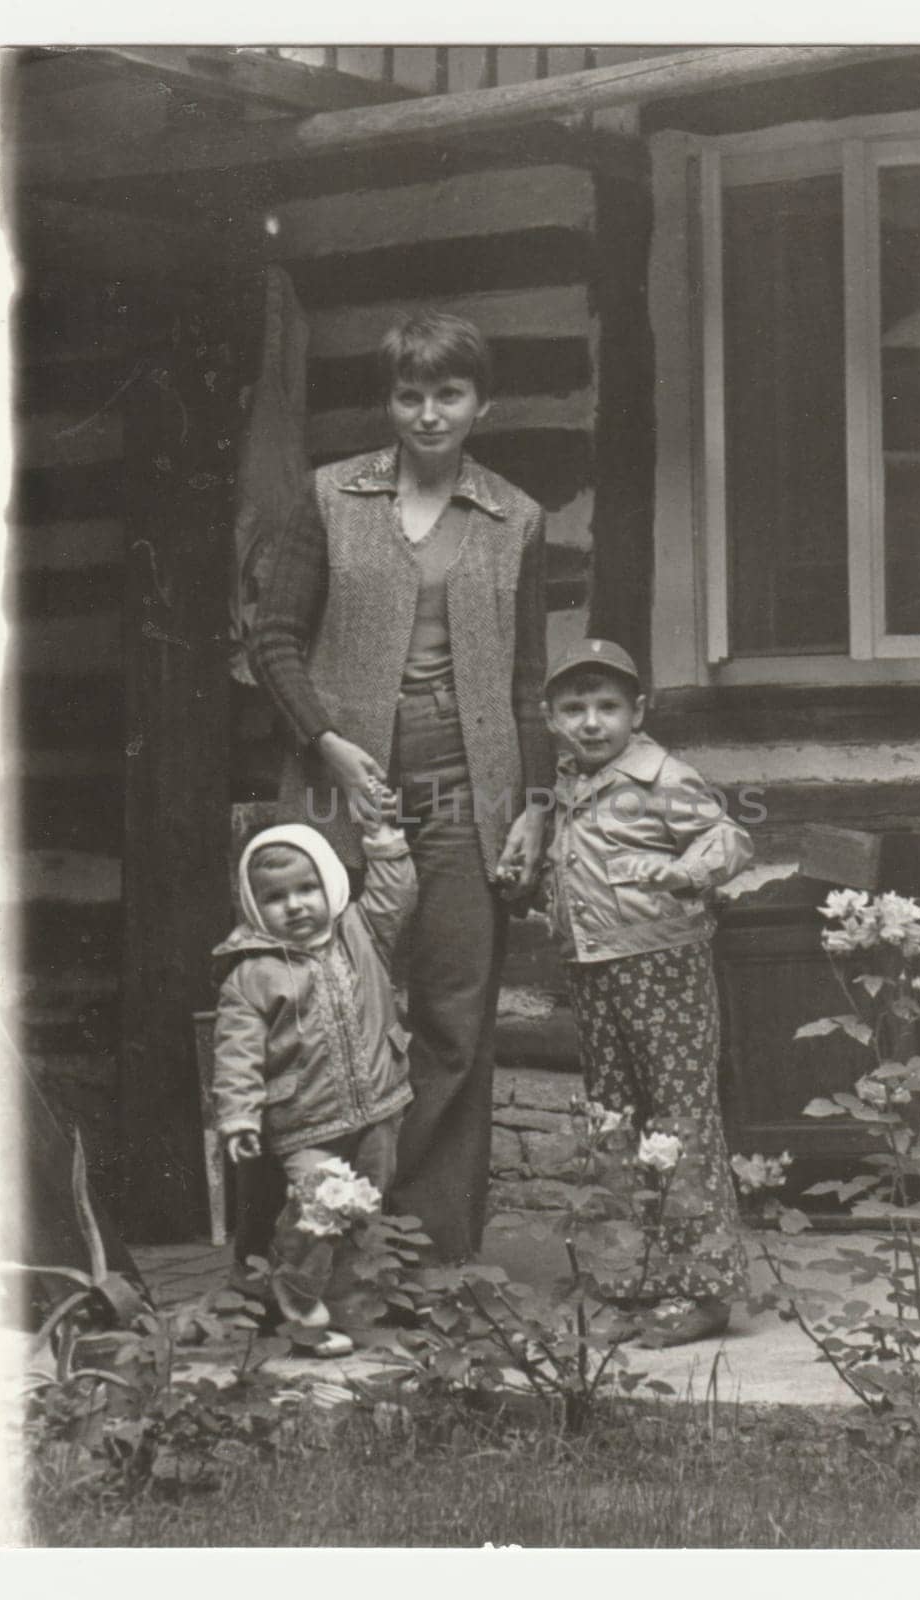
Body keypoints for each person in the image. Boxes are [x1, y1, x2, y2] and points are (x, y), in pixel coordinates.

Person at [252, 310, 551, 1262]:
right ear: (391, 402)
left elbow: (529, 686)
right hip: (347, 788)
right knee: (321, 1006)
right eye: (410, 394)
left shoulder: (516, 519)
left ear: (481, 404)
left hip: (473, 793)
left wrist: (537, 806)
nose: (429, 413)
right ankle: (299, 1260)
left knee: (455, 1020)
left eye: (449, 394)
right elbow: (272, 640)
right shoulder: (329, 497)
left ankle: (427, 1256)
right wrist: (328, 741)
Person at [538, 639, 755, 1346]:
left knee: (679, 1119)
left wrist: (684, 873)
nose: (592, 722)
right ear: (551, 718)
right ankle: (627, 1280)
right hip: (595, 970)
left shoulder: (663, 775)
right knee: (614, 1121)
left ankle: (704, 1290)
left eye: (608, 707)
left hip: (663, 965)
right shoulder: (568, 784)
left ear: (639, 711)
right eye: (575, 708)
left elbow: (729, 839)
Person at [212, 820, 416, 1355]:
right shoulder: (251, 976)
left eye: (307, 888)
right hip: (305, 1124)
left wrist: (385, 843)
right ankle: (299, 1308)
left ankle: (346, 1304)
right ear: (254, 908)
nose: (296, 905)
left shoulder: (360, 933)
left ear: (330, 883)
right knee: (318, 1209)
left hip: (377, 1108)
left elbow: (395, 897)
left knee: (360, 1212)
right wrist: (237, 1115)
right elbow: (236, 1054)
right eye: (275, 898)